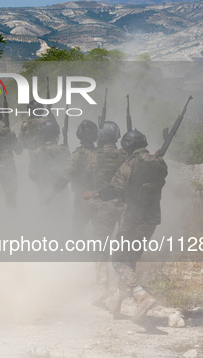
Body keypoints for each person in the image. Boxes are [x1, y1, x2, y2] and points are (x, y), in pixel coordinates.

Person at [85, 129, 168, 323]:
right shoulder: (160, 162)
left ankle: (141, 295)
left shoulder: (129, 164)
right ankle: (117, 300)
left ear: (128, 146)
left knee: (119, 260)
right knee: (131, 261)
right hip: (152, 219)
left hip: (132, 218)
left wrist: (92, 194)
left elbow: (112, 191)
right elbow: (159, 178)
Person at [84, 121, 128, 307]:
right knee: (125, 249)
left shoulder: (93, 156)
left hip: (102, 206)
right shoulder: (125, 155)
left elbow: (86, 177)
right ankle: (122, 290)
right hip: (124, 206)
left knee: (101, 247)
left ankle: (102, 288)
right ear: (117, 137)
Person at [47, 119, 98, 237]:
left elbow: (65, 177)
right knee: (100, 233)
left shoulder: (77, 155)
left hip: (83, 196)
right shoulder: (101, 154)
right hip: (100, 196)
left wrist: (51, 194)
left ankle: (79, 253)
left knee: (78, 229)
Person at [28, 119, 70, 203]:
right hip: (61, 190)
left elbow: (32, 173)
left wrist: (41, 183)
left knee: (45, 213)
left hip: (44, 188)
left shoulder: (37, 152)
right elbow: (70, 169)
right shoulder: (65, 150)